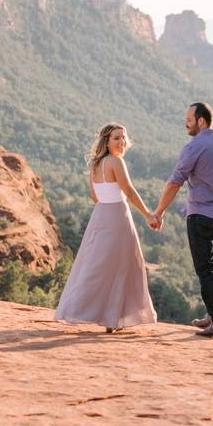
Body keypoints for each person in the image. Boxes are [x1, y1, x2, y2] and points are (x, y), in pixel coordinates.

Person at [55, 123, 158, 332]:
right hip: (118, 216)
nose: (121, 142)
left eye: (123, 137)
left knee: (97, 265)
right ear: (107, 141)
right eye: (116, 138)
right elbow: (128, 191)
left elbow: (94, 197)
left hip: (100, 216)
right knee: (124, 265)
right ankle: (114, 318)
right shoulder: (116, 162)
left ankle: (101, 315)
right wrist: (148, 214)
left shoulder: (95, 164)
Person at [151, 102, 213, 339]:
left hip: (200, 215)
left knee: (205, 269)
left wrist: (159, 211)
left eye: (189, 118)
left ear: (201, 121)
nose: (186, 122)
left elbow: (175, 182)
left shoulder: (194, 147)